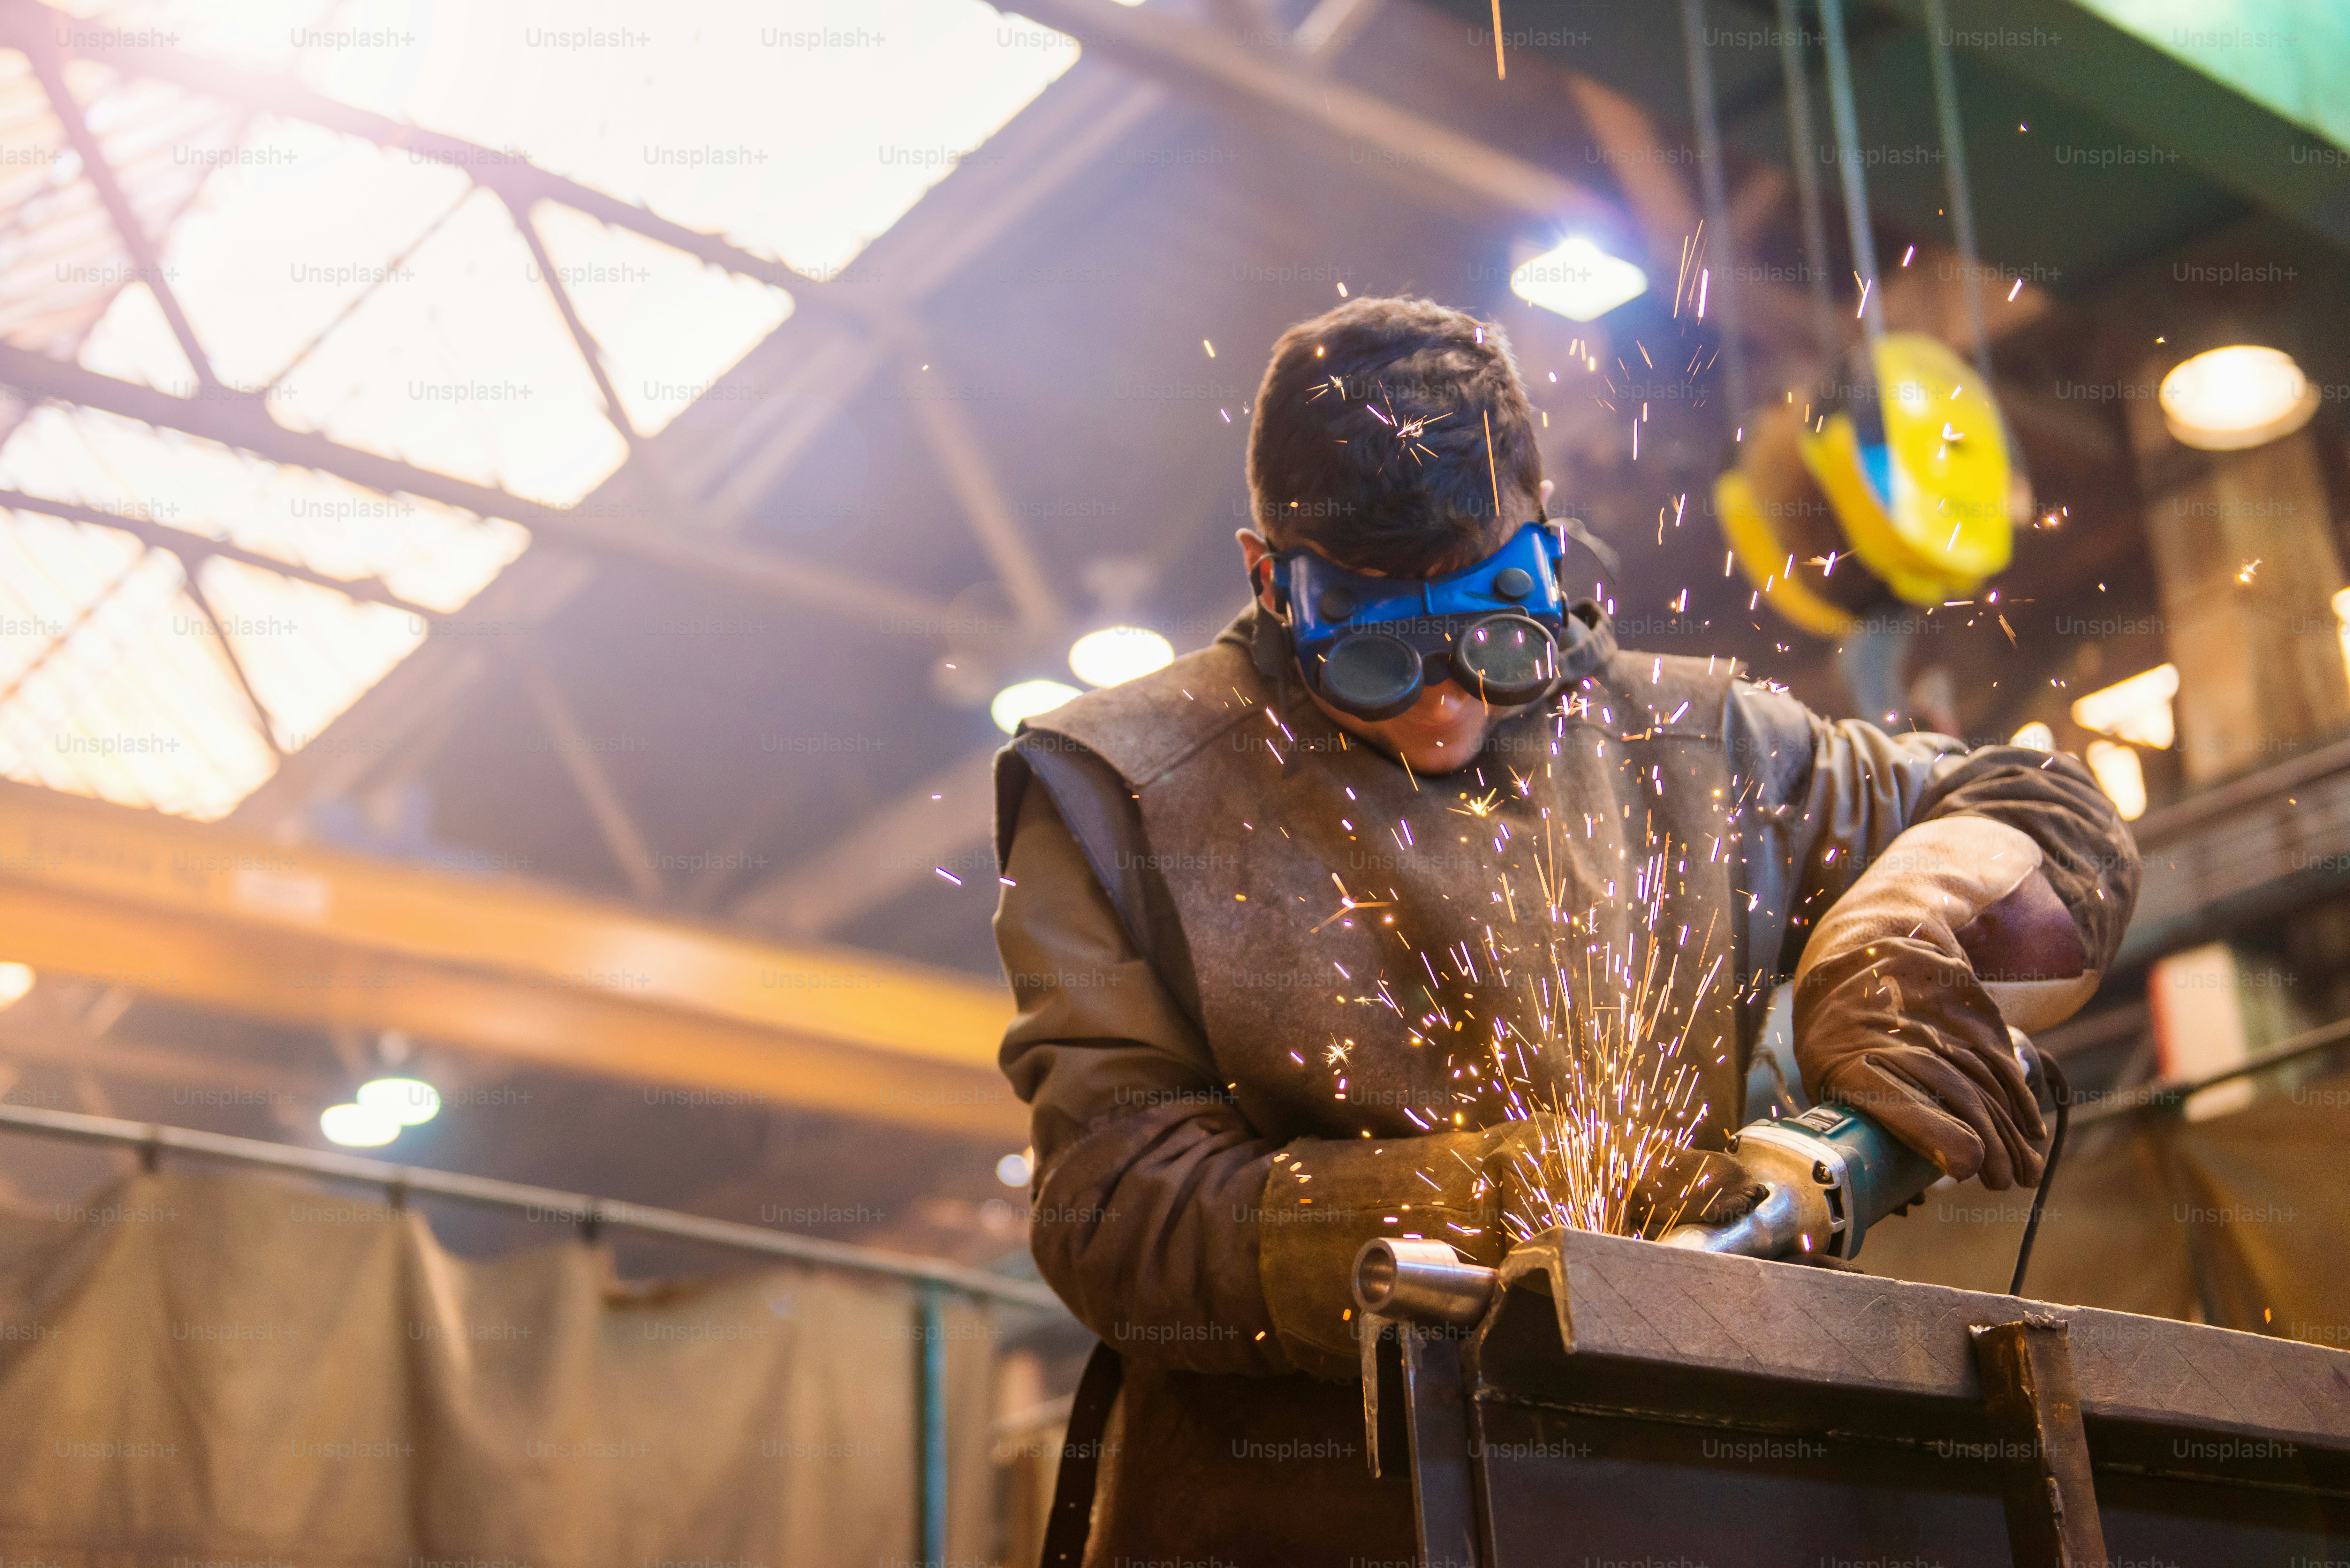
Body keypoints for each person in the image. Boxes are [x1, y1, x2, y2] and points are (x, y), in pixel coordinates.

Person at [989, 296, 2136, 1564]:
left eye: (1492, 643)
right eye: (1375, 659)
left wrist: (1897, 935)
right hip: (1297, 1517)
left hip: (1693, 1495)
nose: (1440, 713)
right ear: (1272, 578)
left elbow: (2044, 808)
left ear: (1541, 552)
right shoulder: (1118, 785)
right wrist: (1491, 1198)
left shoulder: (1699, 738)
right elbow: (1114, 1208)